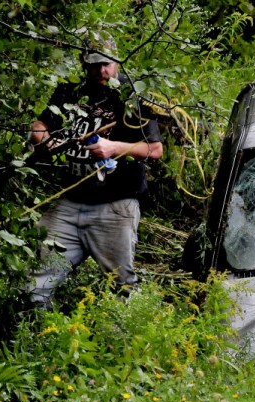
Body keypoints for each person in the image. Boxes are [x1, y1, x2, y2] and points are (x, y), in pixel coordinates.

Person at [28, 34, 163, 307]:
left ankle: (127, 343)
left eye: (106, 64)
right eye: (94, 65)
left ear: (116, 62)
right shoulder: (71, 91)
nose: (101, 71)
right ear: (84, 64)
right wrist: (45, 139)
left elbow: (155, 150)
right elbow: (39, 125)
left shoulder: (131, 93)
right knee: (35, 285)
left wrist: (113, 148)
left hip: (114, 206)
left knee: (123, 289)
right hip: (70, 203)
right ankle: (36, 336)